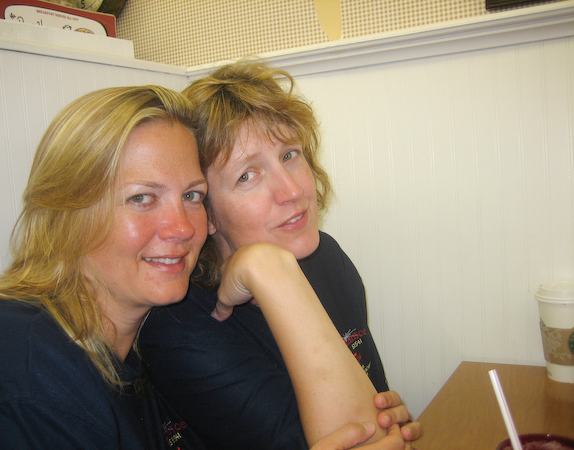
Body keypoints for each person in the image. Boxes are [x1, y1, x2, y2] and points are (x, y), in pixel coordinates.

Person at [0, 84, 405, 450]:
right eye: (142, 198)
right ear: (66, 211)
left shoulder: (122, 365)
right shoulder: (23, 363)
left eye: (191, 196)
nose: (182, 227)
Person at [139, 60, 423, 449]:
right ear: (207, 213)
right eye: (246, 176)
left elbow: (377, 420)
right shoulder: (179, 329)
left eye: (289, 155)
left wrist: (392, 423)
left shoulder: (326, 259)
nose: (292, 191)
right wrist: (269, 269)